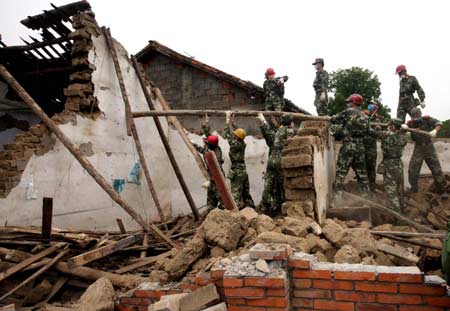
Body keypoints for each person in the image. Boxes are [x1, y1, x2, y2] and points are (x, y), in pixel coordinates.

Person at [330, 94, 371, 198]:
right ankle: (367, 199)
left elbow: (334, 119)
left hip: (348, 145)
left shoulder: (348, 112)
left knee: (341, 173)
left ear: (353, 102)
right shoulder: (366, 116)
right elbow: (367, 131)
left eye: (349, 102)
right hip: (360, 146)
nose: (347, 104)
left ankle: (337, 199)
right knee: (362, 175)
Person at [402, 107, 448, 196]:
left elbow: (439, 124)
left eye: (417, 118)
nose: (416, 120)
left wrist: (435, 130)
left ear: (420, 115)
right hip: (418, 148)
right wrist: (404, 128)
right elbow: (401, 130)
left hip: (429, 147)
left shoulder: (427, 120)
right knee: (413, 169)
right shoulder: (410, 123)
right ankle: (413, 189)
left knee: (436, 169)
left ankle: (442, 190)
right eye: (414, 118)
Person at [257, 113, 295, 215]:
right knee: (282, 185)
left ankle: (265, 207)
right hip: (280, 159)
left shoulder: (279, 131)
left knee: (268, 185)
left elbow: (269, 132)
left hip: (272, 158)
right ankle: (281, 207)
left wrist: (263, 121)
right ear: (290, 122)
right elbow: (291, 144)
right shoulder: (289, 131)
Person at [192, 115, 224, 211]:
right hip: (212, 179)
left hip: (217, 179)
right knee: (211, 199)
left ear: (209, 145)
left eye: (206, 143)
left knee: (221, 198)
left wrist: (194, 145)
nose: (205, 143)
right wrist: (205, 124)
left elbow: (203, 150)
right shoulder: (215, 147)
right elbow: (209, 136)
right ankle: (211, 212)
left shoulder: (213, 155)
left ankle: (223, 214)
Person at [223, 111, 255, 208]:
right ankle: (252, 210)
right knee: (246, 194)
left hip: (237, 172)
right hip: (243, 170)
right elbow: (238, 133)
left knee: (235, 195)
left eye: (235, 135)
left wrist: (227, 120)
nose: (233, 135)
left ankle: (234, 214)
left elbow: (227, 133)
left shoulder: (235, 144)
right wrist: (233, 122)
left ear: (236, 137)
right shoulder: (242, 143)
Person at [375, 118, 408, 213]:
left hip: (389, 164)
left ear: (392, 126)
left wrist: (378, 128)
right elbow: (402, 135)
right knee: (399, 190)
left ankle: (398, 216)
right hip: (398, 164)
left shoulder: (385, 135)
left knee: (391, 191)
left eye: (390, 124)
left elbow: (372, 132)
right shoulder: (403, 138)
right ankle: (403, 211)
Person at [363, 101, 385, 191]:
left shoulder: (377, 119)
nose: (370, 106)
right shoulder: (363, 115)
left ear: (376, 107)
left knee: (371, 168)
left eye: (372, 105)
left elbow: (379, 132)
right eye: (369, 104)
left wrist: (378, 128)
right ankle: (363, 188)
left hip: (371, 147)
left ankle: (372, 187)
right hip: (361, 146)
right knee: (362, 167)